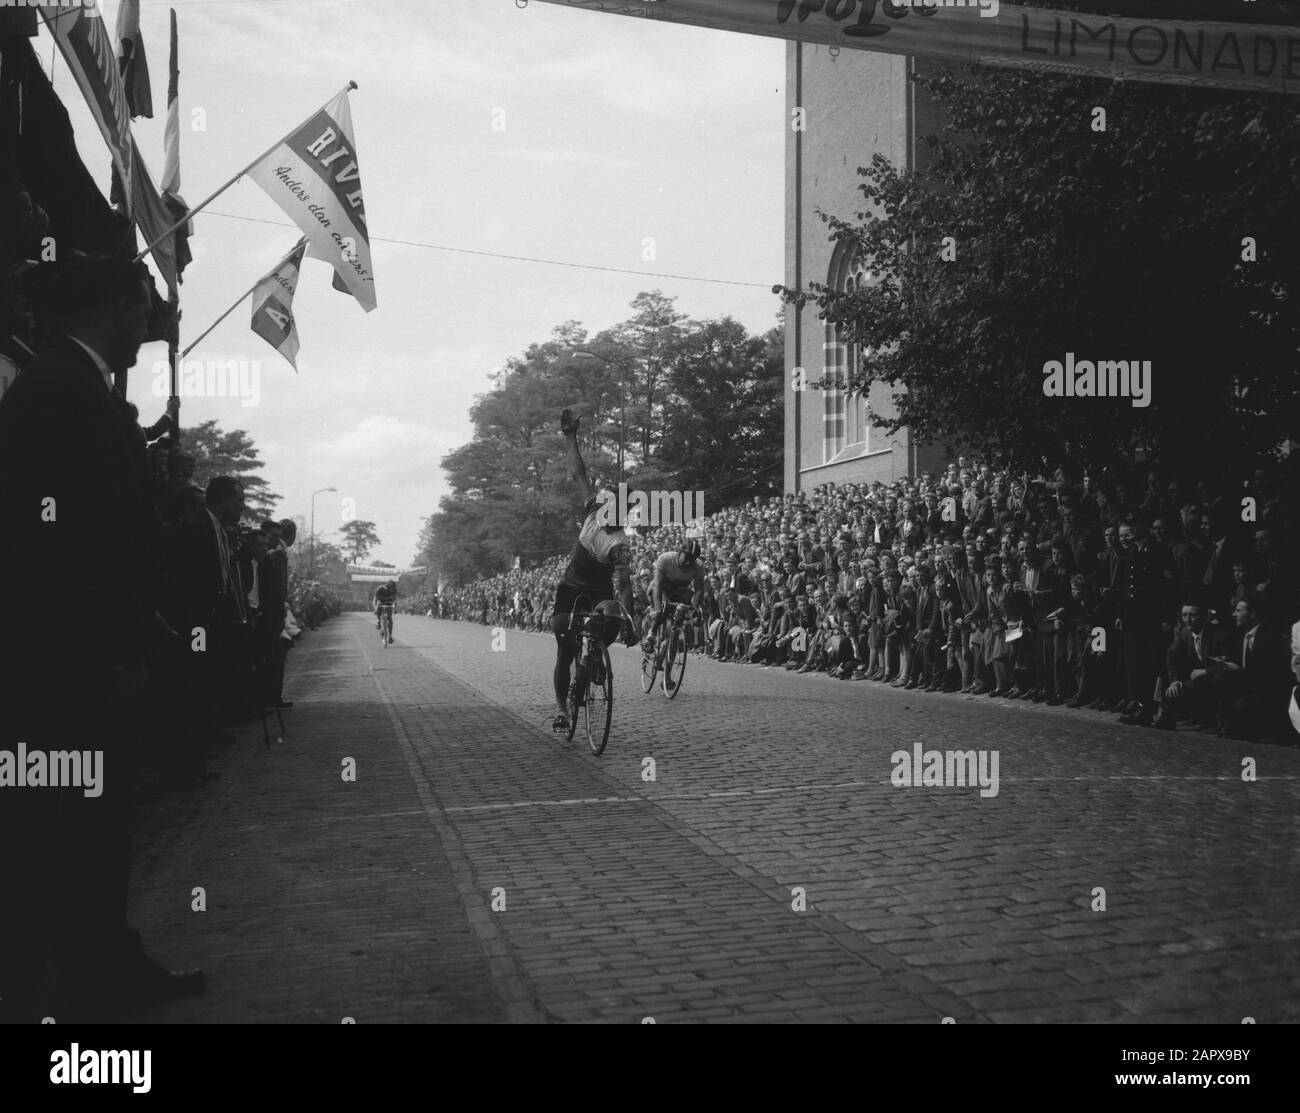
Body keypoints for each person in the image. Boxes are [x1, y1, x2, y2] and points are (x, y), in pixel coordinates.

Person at [0, 255, 204, 1020]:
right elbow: (69, 545)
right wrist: (116, 648)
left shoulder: (69, 386)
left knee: (89, 828)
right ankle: (70, 978)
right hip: (65, 668)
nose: (147, 332)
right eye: (141, 315)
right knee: (65, 833)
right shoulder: (61, 393)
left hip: (75, 655)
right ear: (116, 310)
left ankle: (100, 962)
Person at [549, 409, 637, 732]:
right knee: (565, 645)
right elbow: (577, 473)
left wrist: (630, 621)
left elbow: (624, 587)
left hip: (600, 592)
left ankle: (595, 656)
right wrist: (570, 437)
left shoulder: (619, 544)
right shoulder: (591, 508)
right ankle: (561, 708)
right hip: (571, 587)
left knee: (610, 617)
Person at [645, 538, 707, 674]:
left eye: (692, 559)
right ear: (679, 552)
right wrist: (656, 610)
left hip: (679, 593)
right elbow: (657, 586)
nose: (688, 562)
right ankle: (652, 634)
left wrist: (695, 608)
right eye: (686, 558)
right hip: (661, 590)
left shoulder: (698, 566)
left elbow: (699, 590)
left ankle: (667, 675)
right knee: (660, 613)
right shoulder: (665, 559)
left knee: (674, 633)